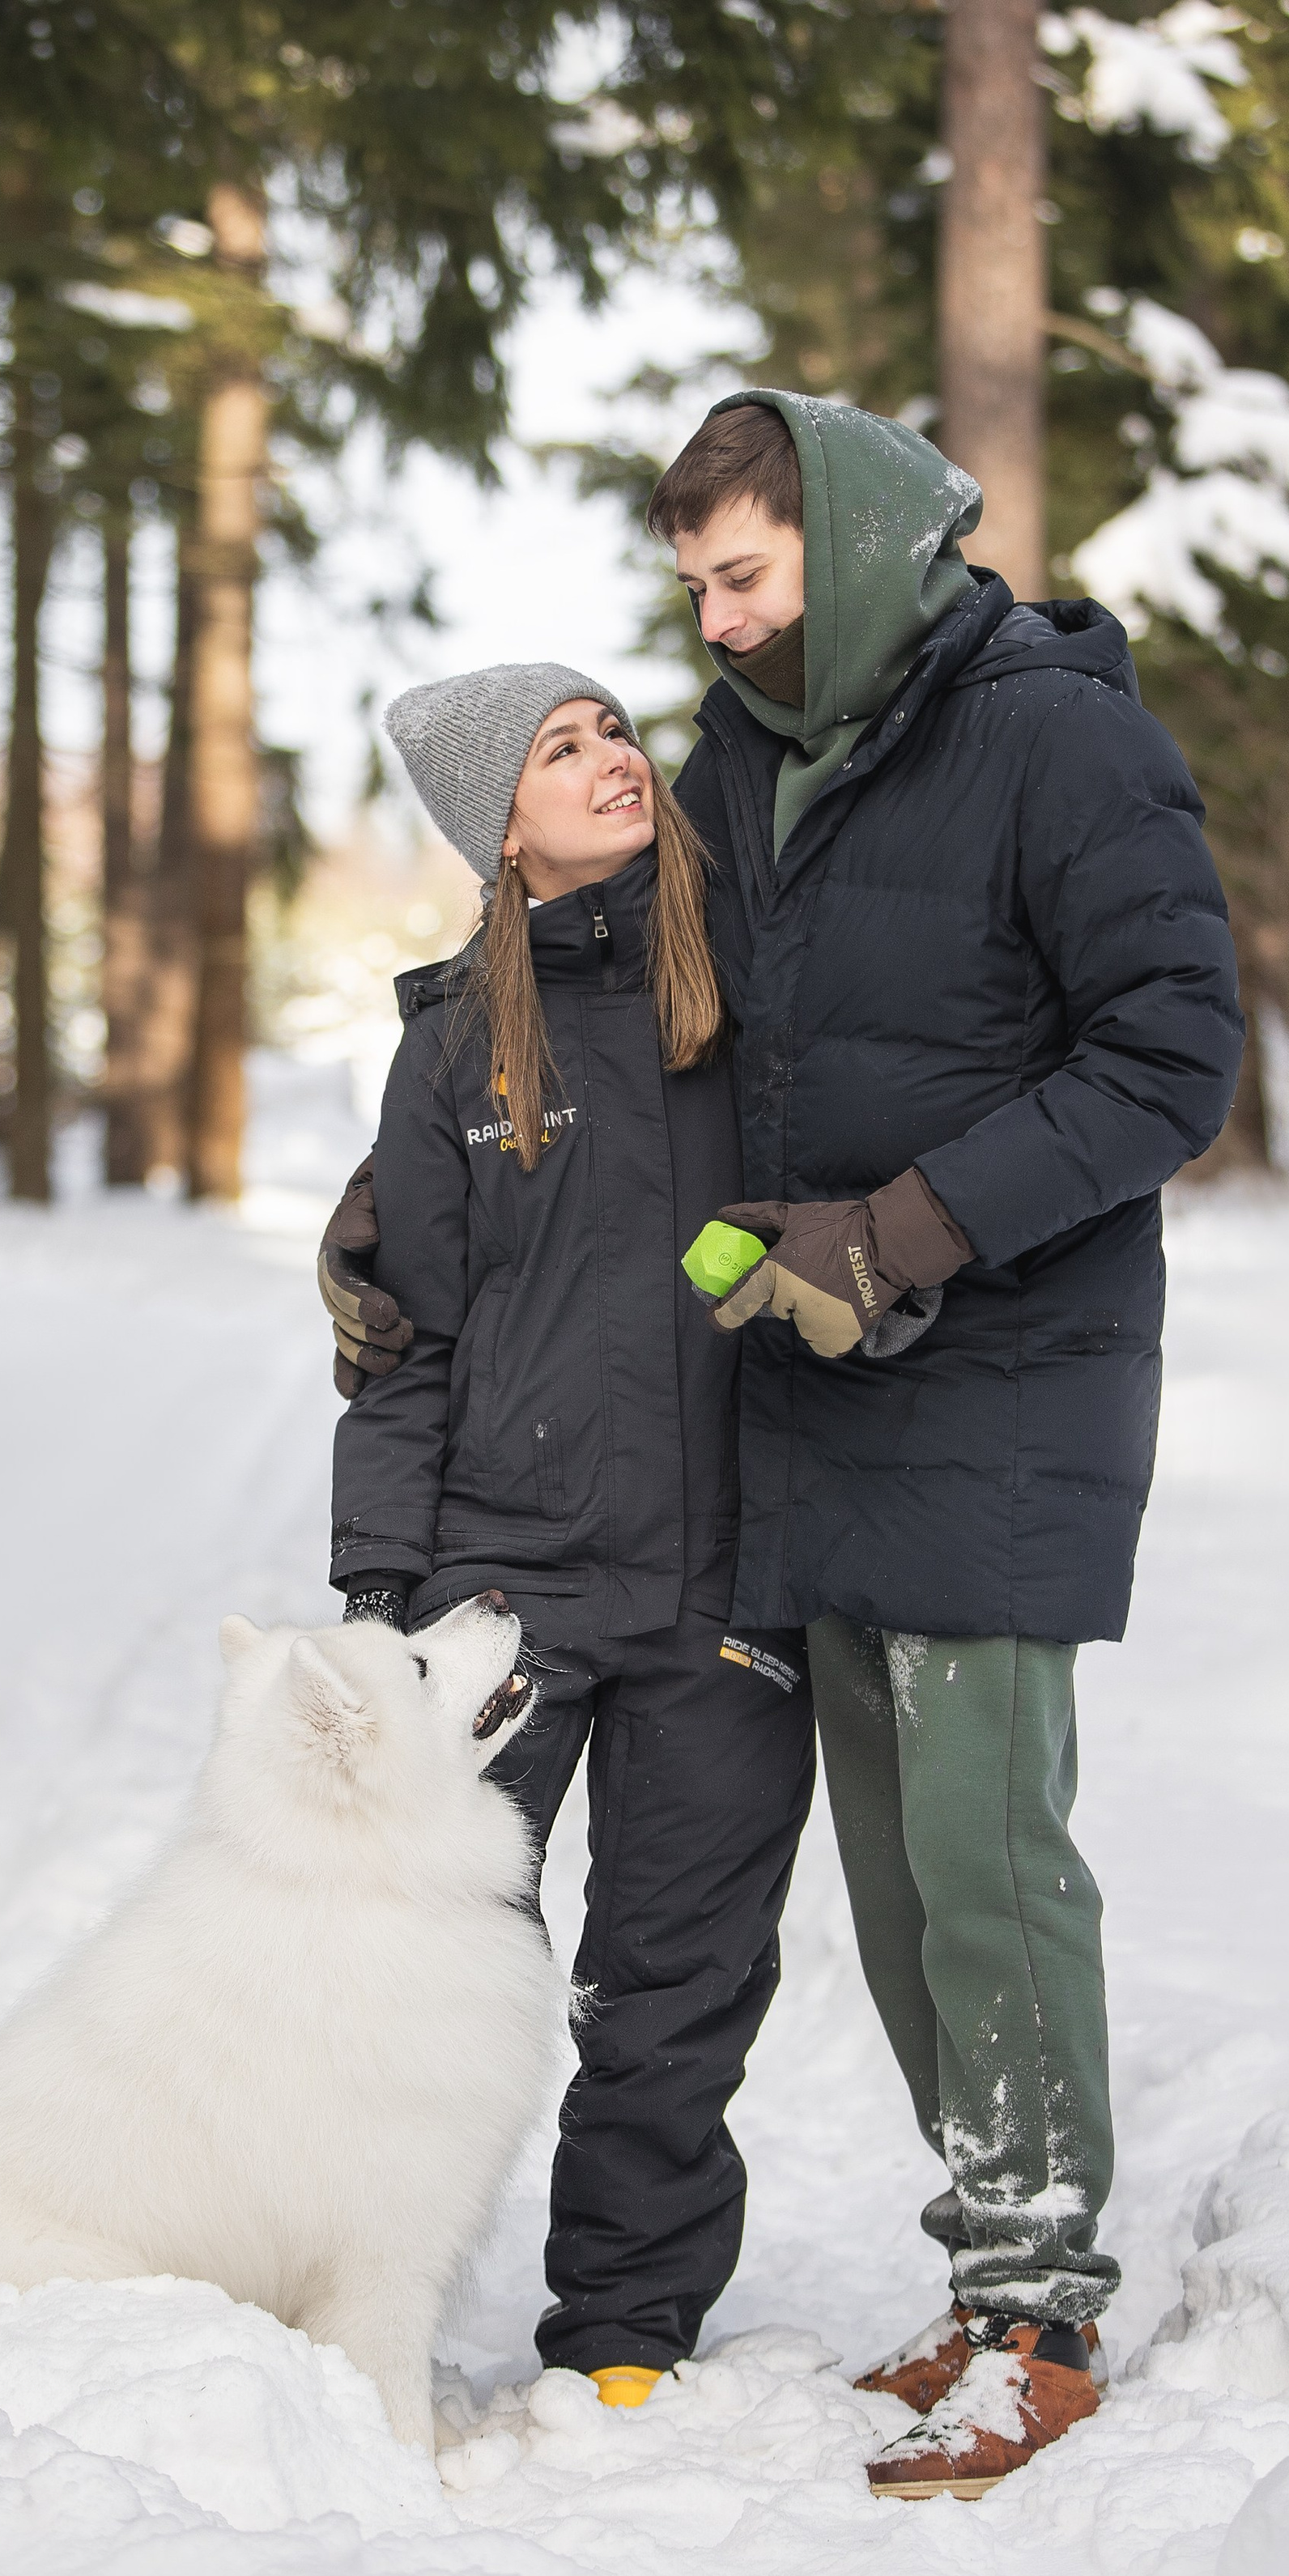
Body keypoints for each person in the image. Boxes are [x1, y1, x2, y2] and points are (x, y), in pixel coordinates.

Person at [323, 395, 1244, 2497]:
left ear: (841, 531)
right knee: (909, 1887)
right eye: (693, 588)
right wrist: (408, 1179)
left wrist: (904, 1225)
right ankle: (989, 2270)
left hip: (997, 1370)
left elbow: (1175, 1054)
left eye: (741, 573)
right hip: (814, 1398)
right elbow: (593, 998)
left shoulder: (1046, 729)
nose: (710, 623)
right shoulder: (752, 768)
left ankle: (1039, 2306)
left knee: (990, 1858)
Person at [325, 663, 817, 2411]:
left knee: (674, 1985)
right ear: (497, 826)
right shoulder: (455, 1042)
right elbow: (402, 1335)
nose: (611, 759)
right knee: (419, 1967)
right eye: (561, 748)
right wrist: (383, 1584)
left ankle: (621, 2331)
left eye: (614, 729)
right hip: (499, 1591)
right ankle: (354, 2302)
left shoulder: (747, 994)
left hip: (727, 1586)